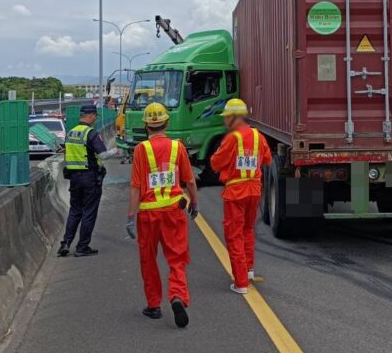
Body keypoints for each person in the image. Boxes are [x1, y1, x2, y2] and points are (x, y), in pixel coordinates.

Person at [126, 103, 198, 327]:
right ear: (167, 123)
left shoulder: (141, 150)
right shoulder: (178, 148)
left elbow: (136, 187)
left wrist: (131, 216)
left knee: (148, 259)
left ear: (146, 126)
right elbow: (190, 181)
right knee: (176, 258)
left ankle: (154, 305)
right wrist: (194, 204)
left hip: (148, 214)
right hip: (174, 211)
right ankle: (177, 295)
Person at [209, 98, 272, 294]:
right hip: (254, 190)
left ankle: (241, 283)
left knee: (234, 235)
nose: (225, 121)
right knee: (247, 230)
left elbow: (215, 164)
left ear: (234, 117)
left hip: (236, 192)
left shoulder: (232, 138)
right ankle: (249, 269)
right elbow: (268, 159)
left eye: (227, 117)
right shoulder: (257, 136)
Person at [59, 104, 114, 257]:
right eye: (95, 116)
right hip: (90, 178)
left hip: (74, 178)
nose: (96, 119)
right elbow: (103, 155)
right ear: (90, 116)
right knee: (89, 212)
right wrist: (115, 150)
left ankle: (66, 243)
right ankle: (82, 246)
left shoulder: (71, 133)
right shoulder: (91, 134)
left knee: (75, 210)